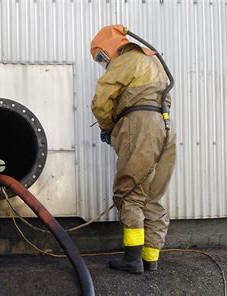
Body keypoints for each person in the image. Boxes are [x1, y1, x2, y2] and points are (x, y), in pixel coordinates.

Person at [90, 25, 176, 274]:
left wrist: (107, 127)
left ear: (108, 48)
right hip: (165, 126)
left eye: (100, 57)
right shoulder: (152, 60)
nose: (101, 62)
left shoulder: (126, 59)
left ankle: (132, 259)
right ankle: (150, 259)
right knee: (151, 197)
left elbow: (100, 101)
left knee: (129, 193)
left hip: (141, 126)